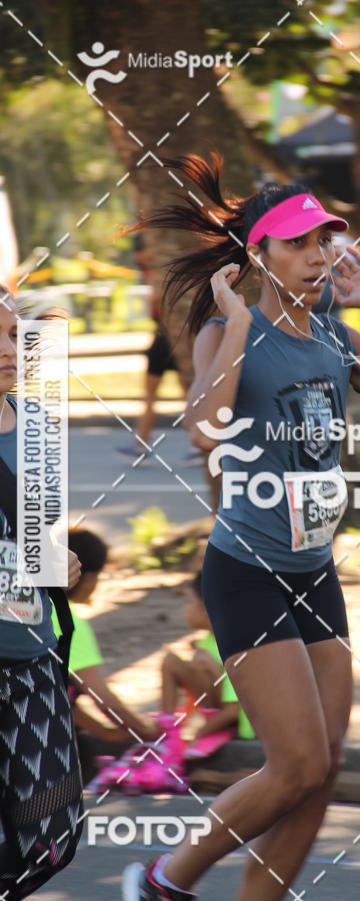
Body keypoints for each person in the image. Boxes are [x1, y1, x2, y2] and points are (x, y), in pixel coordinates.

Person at [121, 152, 360, 900]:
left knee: (323, 768)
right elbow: (205, 430)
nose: (316, 254)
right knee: (296, 762)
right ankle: (164, 881)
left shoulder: (336, 339)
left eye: (323, 240)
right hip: (247, 572)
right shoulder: (224, 331)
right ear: (259, 254)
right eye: (298, 243)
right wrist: (242, 322)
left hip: (314, 572)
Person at [0, 287, 84, 898]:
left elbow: (42, 534)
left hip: (32, 659)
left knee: (54, 835)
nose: (10, 350)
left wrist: (62, 563)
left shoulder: (36, 423)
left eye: (12, 335)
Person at [51, 528, 160, 782]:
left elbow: (57, 694)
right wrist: (147, 730)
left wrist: (107, 733)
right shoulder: (69, 623)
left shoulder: (37, 610)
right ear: (87, 577)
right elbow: (104, 699)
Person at [160, 571, 255, 751]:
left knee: (200, 660)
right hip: (217, 708)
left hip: (238, 721)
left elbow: (232, 711)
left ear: (206, 609)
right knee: (171, 662)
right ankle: (168, 732)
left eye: (189, 602)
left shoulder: (235, 646)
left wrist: (197, 734)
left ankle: (174, 739)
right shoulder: (208, 641)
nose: (184, 610)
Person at [117, 234, 187, 460]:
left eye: (139, 252)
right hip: (171, 335)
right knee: (187, 392)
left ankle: (141, 443)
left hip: (165, 336)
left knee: (154, 392)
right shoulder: (160, 268)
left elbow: (158, 302)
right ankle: (142, 442)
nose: (137, 258)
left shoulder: (158, 270)